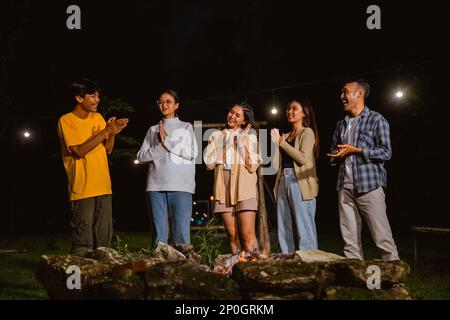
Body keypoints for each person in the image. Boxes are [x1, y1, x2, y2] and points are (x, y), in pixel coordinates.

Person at [327, 79, 399, 261]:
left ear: (359, 94)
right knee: (349, 238)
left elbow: (386, 152)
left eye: (345, 92)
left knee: (381, 235)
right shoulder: (341, 124)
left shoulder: (376, 119)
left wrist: (358, 150)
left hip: (369, 186)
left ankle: (395, 279)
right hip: (345, 185)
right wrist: (336, 156)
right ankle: (355, 275)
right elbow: (336, 149)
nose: (341, 96)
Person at [57, 78, 129, 256]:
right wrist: (105, 131)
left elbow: (107, 149)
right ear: (79, 98)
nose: (97, 100)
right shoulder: (67, 121)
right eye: (92, 96)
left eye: (98, 96)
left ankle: (103, 280)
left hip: (103, 186)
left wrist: (111, 133)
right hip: (83, 188)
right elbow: (79, 151)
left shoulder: (97, 117)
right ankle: (75, 281)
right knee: (83, 241)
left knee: (104, 241)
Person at [137, 89, 196, 246]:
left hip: (181, 185)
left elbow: (191, 153)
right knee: (159, 235)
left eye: (168, 102)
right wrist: (161, 148)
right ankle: (159, 268)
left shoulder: (186, 127)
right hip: (155, 185)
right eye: (160, 102)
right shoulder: (153, 129)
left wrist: (168, 143)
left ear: (176, 105)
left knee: (181, 234)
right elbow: (141, 156)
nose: (164, 105)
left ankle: (184, 268)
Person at [204, 102, 262, 256]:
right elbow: (209, 162)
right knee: (232, 234)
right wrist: (227, 144)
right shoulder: (216, 136)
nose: (232, 116)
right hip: (223, 184)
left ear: (244, 120)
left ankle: (254, 269)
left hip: (244, 184)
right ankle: (236, 267)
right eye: (231, 112)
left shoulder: (251, 137)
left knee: (247, 234)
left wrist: (241, 144)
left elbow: (252, 166)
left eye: (238, 115)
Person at [271, 98, 319, 253]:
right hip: (283, 179)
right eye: (288, 108)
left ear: (304, 113)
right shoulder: (285, 135)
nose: (289, 111)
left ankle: (310, 262)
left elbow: (303, 158)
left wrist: (282, 144)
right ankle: (287, 259)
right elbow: (275, 164)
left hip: (300, 182)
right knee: (284, 225)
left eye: (294, 108)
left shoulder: (307, 132)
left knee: (303, 224)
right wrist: (276, 144)